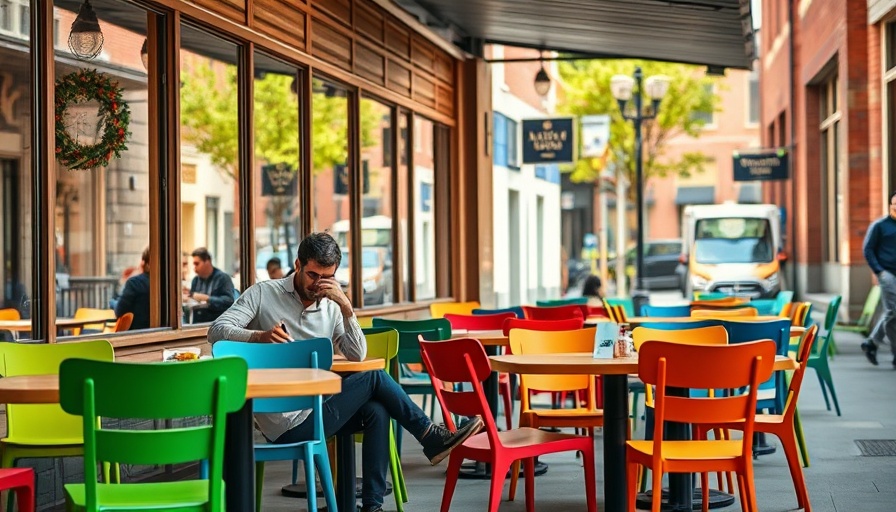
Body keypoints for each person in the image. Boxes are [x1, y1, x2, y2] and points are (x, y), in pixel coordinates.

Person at [208, 233, 482, 512]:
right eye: (313, 275)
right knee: (374, 377)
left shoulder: (331, 303)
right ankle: (429, 435)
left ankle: (371, 506)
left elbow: (357, 354)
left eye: (326, 277)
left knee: (377, 410)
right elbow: (216, 331)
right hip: (283, 422)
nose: (318, 284)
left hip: (320, 408)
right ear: (298, 265)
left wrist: (347, 308)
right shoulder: (263, 293)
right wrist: (259, 336)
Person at [862, 191, 896, 368]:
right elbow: (868, 249)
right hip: (887, 273)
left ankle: (872, 343)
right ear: (890, 206)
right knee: (893, 310)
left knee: (892, 313)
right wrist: (879, 271)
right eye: (894, 204)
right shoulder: (880, 226)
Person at [186, 247, 234, 323]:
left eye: (197, 264)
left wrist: (207, 298)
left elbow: (229, 302)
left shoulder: (222, 278)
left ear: (207, 262)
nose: (194, 267)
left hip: (217, 324)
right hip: (197, 324)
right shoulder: (195, 280)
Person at [114, 246, 150, 330]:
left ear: (144, 263)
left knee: (112, 303)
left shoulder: (134, 283)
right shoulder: (169, 283)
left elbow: (119, 311)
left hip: (137, 335)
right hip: (160, 335)